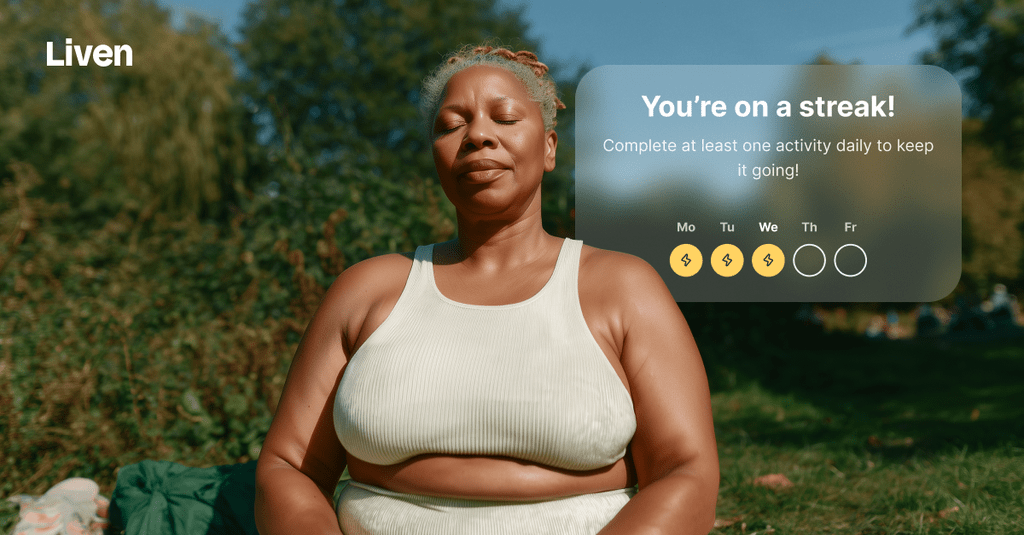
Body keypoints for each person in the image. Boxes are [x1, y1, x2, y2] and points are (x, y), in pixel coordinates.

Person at [254, 45, 719, 535]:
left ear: (549, 148)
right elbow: (287, 467)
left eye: (505, 117)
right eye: (451, 124)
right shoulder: (366, 290)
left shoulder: (623, 288)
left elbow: (686, 472)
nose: (477, 135)